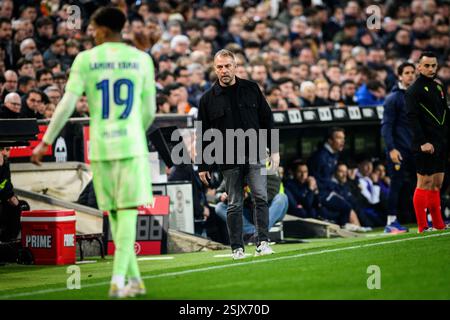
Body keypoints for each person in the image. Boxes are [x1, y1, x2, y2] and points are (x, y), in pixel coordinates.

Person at [31, 7, 156, 298]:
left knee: (113, 210)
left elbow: (66, 104)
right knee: (126, 211)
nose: (90, 33)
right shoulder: (141, 59)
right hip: (130, 145)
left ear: (101, 29)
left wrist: (45, 141)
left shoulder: (85, 60)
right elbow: (149, 110)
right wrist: (134, 132)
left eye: (92, 28)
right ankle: (119, 279)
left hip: (100, 146)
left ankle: (132, 279)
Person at [196, 49, 279, 260]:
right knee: (234, 203)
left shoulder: (252, 89)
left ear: (235, 67)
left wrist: (275, 150)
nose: (223, 70)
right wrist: (203, 165)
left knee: (260, 197)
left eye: (227, 66)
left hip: (255, 153)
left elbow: (267, 120)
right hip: (228, 158)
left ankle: (262, 242)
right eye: (219, 67)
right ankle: (237, 248)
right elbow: (203, 134)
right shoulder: (207, 99)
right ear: (215, 69)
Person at [405, 51, 449, 233]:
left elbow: (445, 112)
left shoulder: (438, 87)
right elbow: (412, 118)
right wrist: (423, 141)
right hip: (424, 144)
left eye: (434, 66)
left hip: (441, 142)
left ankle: (438, 224)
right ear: (419, 67)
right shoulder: (413, 91)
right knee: (424, 182)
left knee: (437, 182)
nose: (431, 69)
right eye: (427, 66)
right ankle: (422, 226)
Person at [381, 61, 417, 233]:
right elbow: (386, 126)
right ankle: (390, 221)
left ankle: (427, 217)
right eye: (407, 73)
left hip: (415, 149)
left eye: (412, 72)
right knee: (396, 184)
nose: (410, 75)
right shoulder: (393, 98)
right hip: (399, 150)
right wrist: (391, 149)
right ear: (400, 76)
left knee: (422, 182)